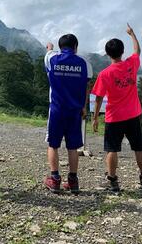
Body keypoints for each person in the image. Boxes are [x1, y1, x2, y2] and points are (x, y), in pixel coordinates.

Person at [91, 23, 142, 192]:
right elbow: (137, 51)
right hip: (133, 114)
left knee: (112, 149)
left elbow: (98, 98)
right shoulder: (131, 64)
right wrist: (132, 33)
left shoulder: (105, 74)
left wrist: (95, 118)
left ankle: (112, 181)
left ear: (107, 53)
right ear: (122, 51)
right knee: (139, 148)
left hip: (114, 117)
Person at [44, 34, 93, 194]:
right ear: (76, 47)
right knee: (73, 146)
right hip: (75, 111)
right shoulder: (85, 64)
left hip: (57, 109)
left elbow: (49, 52)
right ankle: (73, 180)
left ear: (60, 47)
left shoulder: (52, 59)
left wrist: (50, 49)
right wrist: (84, 107)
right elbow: (87, 87)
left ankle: (55, 179)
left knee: (53, 144)